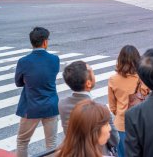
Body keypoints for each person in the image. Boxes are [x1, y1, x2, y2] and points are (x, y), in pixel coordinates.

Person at [15, 27, 60, 157]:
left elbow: (18, 83)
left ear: (32, 42)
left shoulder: (23, 61)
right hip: (51, 106)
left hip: (31, 107)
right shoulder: (54, 59)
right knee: (51, 144)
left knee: (22, 141)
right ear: (45, 42)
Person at [59, 61, 119, 155]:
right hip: (97, 152)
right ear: (88, 83)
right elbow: (114, 140)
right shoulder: (100, 109)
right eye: (92, 71)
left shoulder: (62, 104)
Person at [108, 45, 147, 157]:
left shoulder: (113, 79)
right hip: (140, 123)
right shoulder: (142, 77)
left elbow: (112, 107)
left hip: (121, 124)